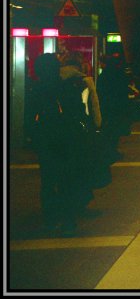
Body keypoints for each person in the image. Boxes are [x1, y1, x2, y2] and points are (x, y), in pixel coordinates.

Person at [26, 53, 91, 236]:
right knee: (66, 180)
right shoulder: (67, 87)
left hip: (46, 140)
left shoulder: (36, 90)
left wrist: (33, 138)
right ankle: (68, 220)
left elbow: (30, 118)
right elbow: (78, 112)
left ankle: (50, 220)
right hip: (66, 139)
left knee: (48, 181)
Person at [96, 53, 131, 153]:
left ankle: (109, 149)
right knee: (115, 129)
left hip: (107, 106)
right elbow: (124, 91)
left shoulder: (103, 76)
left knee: (108, 129)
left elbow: (100, 91)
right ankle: (113, 148)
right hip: (118, 106)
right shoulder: (120, 74)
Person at [59, 51, 102, 130]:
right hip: (81, 122)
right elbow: (94, 106)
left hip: (61, 123)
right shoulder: (86, 81)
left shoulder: (57, 79)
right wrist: (97, 125)